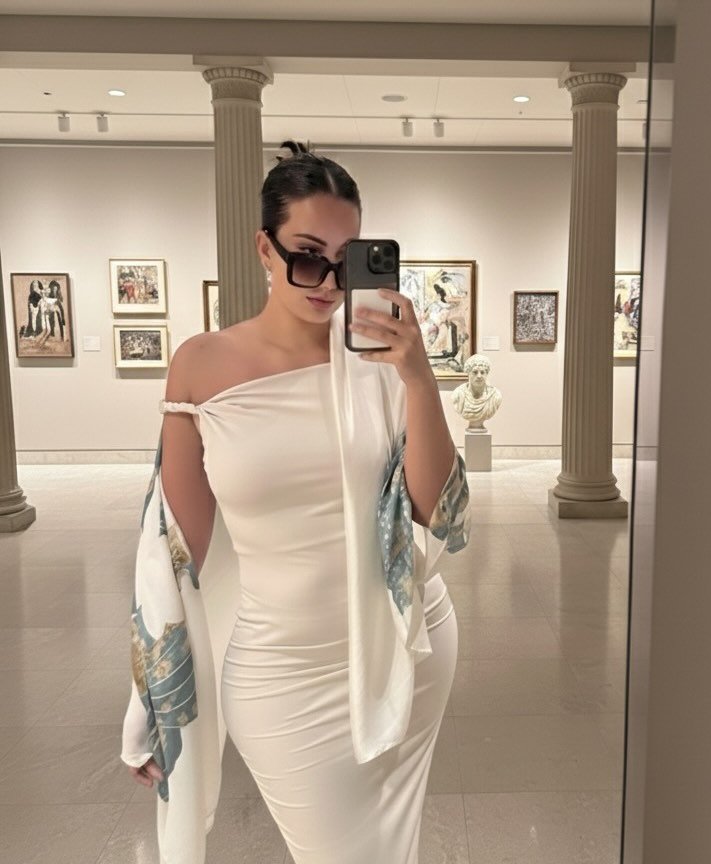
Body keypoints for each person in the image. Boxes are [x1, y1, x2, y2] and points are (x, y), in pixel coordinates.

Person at [121, 142, 469, 864]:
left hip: (408, 649)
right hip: (283, 674)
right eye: (308, 256)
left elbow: (437, 513)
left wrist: (419, 379)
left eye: (348, 261)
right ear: (265, 248)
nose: (329, 283)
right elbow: (175, 551)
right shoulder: (203, 365)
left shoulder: (384, 361)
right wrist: (150, 694)